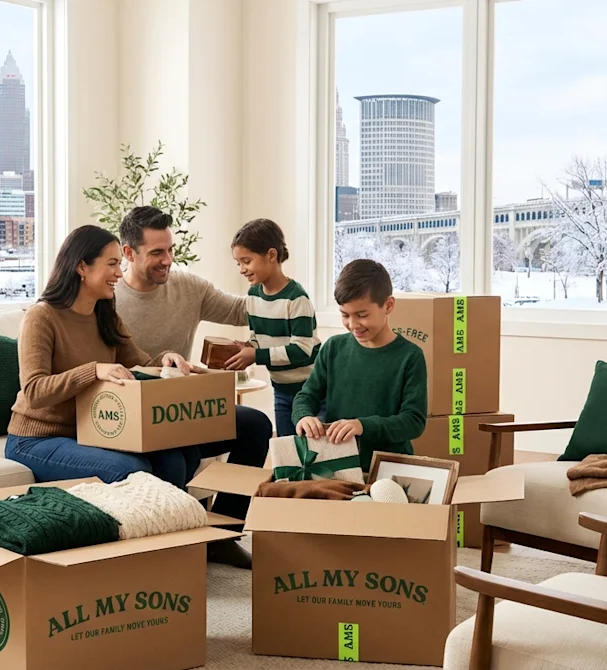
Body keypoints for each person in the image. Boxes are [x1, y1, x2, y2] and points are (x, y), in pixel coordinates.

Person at [114, 206, 272, 569]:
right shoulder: (108, 300)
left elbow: (242, 311)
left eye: (170, 249)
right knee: (177, 455)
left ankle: (226, 533)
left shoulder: (187, 286)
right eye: (156, 252)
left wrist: (275, 282)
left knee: (256, 426)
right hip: (135, 420)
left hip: (183, 411)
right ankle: (181, 542)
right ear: (128, 253)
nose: (167, 260)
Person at [5, 225, 202, 488]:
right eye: (112, 264)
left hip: (93, 432)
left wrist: (167, 359)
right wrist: (94, 370)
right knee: (132, 469)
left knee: (175, 459)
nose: (119, 274)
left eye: (119, 264)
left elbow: (141, 363)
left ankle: (176, 527)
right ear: (82, 267)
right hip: (35, 439)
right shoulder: (41, 317)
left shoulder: (105, 315)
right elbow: (34, 391)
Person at [292, 259, 428, 473]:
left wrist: (363, 426)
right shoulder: (333, 348)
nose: (353, 325)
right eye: (345, 315)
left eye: (362, 315)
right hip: (337, 465)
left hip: (390, 468)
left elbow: (413, 421)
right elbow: (306, 396)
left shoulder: (410, 357)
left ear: (389, 305)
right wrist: (304, 416)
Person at [222, 218, 321, 437]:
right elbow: (258, 337)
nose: (241, 269)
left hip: (310, 391)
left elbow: (302, 349)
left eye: (246, 261)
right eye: (238, 263)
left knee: (309, 451)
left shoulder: (296, 299)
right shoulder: (253, 296)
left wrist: (256, 355)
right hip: (280, 390)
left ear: (272, 255)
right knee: (285, 451)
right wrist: (247, 348)